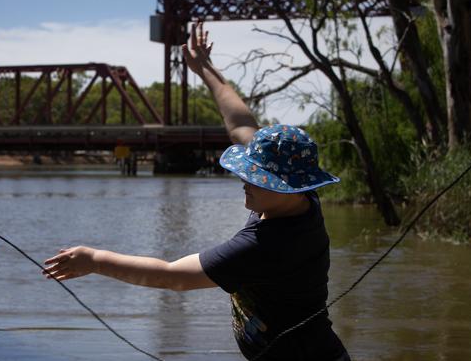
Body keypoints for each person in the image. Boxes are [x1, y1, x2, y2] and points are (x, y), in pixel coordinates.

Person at [43, 22, 350, 361]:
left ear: (289, 188)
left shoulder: (266, 246)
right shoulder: (301, 197)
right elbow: (242, 126)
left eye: (257, 178)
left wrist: (95, 260)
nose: (245, 181)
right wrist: (205, 68)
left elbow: (173, 277)